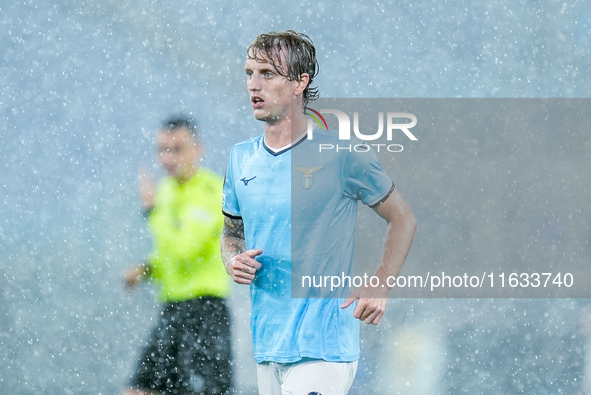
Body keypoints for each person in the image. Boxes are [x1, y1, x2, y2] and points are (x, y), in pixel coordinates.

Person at [220, 31, 417, 395]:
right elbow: (231, 234)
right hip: (268, 347)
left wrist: (381, 282)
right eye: (249, 73)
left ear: (299, 83)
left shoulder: (341, 152)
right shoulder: (240, 158)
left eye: (267, 73)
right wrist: (233, 260)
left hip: (324, 346)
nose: (253, 84)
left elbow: (402, 217)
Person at [123, 116, 232, 395]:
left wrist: (152, 212)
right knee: (137, 391)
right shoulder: (166, 190)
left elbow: (186, 250)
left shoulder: (213, 190)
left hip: (205, 310)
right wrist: (146, 270)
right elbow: (169, 255)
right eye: (162, 149)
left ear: (198, 149)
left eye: (177, 149)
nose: (167, 158)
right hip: (172, 310)